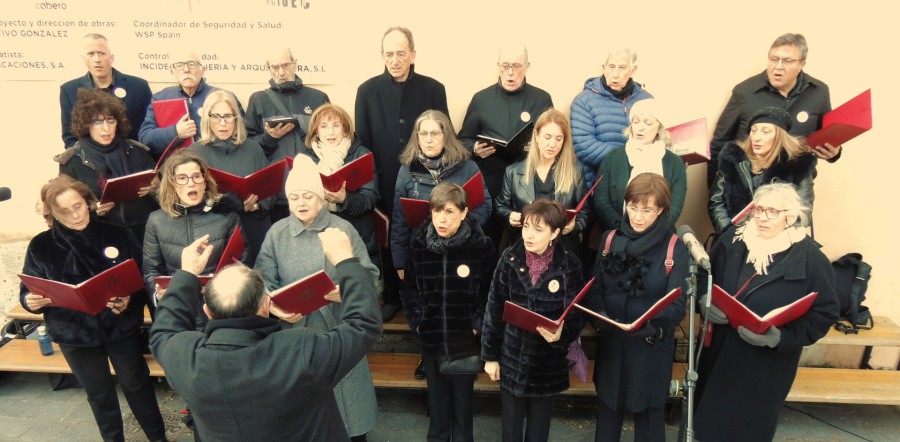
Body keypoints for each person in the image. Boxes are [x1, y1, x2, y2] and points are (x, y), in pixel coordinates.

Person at [150, 228, 382, 441]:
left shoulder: (185, 360)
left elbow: (163, 330)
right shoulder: (300, 353)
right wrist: (346, 261)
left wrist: (187, 274)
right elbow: (363, 324)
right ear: (265, 306)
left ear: (207, 312)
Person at [21, 176, 167, 442]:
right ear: (52, 214)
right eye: (64, 211)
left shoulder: (118, 234)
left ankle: (158, 437)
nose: (75, 215)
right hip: (73, 333)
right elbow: (29, 288)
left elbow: (141, 280)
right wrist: (29, 301)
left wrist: (129, 300)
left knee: (137, 384)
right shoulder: (41, 245)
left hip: (119, 327)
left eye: (78, 206)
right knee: (99, 394)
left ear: (88, 201)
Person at [694, 183, 839, 441]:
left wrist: (782, 338)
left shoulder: (811, 259)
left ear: (790, 217)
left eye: (772, 212)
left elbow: (824, 313)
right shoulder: (732, 240)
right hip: (719, 354)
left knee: (747, 430)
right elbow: (704, 276)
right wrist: (704, 301)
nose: (762, 217)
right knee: (705, 426)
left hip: (764, 366)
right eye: (758, 209)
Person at [254, 154, 380, 441]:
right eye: (294, 197)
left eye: (308, 196)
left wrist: (347, 289)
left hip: (339, 327)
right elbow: (262, 281)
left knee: (348, 411)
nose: (300, 203)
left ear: (320, 197)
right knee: (305, 416)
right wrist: (274, 306)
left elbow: (370, 274)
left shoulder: (342, 228)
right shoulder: (277, 233)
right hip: (295, 332)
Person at [585, 173, 688, 442]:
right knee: (608, 414)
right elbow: (595, 288)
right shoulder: (610, 239)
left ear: (661, 210)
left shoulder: (674, 247)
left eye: (647, 210)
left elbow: (677, 302)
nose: (638, 217)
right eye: (633, 207)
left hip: (650, 346)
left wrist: (652, 327)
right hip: (613, 342)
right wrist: (601, 318)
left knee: (649, 419)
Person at [355, 26, 448, 321]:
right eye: (389, 54)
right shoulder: (366, 91)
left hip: (426, 181)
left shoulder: (434, 89)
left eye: (400, 53)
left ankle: (424, 295)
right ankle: (394, 296)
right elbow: (363, 145)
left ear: (413, 54)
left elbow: (444, 136)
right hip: (383, 180)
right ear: (382, 55)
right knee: (388, 237)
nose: (394, 60)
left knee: (426, 236)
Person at [400, 182, 497, 441]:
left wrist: (476, 323)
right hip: (431, 337)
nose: (442, 219)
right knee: (437, 409)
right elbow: (409, 287)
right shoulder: (420, 244)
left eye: (449, 211)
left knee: (463, 412)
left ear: (464, 213)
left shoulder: (481, 246)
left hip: (463, 340)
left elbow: (491, 292)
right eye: (437, 211)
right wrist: (418, 321)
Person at [481, 198, 585, 442]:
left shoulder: (569, 264)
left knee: (539, 431)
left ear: (555, 233)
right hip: (512, 359)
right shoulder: (509, 258)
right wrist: (491, 357)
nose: (528, 235)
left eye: (538, 229)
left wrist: (563, 332)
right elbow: (494, 309)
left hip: (547, 363)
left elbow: (577, 312)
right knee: (511, 430)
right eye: (526, 226)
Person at [708, 33, 840, 187]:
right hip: (749, 188)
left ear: (802, 64)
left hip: (796, 189)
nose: (778, 66)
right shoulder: (745, 92)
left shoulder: (819, 92)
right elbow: (718, 144)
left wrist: (834, 153)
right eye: (774, 59)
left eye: (787, 61)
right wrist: (715, 193)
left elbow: (827, 136)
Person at [457, 46, 554, 249]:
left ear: (527, 66)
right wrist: (475, 149)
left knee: (528, 239)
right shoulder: (481, 99)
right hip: (491, 179)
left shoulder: (541, 99)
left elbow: (551, 135)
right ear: (498, 66)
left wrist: (537, 145)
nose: (510, 72)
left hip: (528, 181)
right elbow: (463, 139)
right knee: (487, 239)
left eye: (516, 66)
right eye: (505, 66)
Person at [391, 110, 492, 277]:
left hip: (461, 250)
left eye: (434, 133)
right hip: (422, 253)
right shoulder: (407, 170)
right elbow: (399, 220)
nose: (428, 139)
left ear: (446, 136)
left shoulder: (468, 167)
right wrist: (400, 262)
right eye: (423, 133)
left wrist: (460, 227)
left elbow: (484, 205)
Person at [142, 151, 243, 309]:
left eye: (196, 176)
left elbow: (241, 264)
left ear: (205, 181)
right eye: (182, 178)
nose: (191, 183)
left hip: (219, 307)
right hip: (178, 306)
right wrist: (159, 294)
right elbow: (151, 271)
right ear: (172, 184)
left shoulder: (227, 217)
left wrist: (216, 289)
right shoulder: (156, 220)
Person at [55, 88, 159, 242]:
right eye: (97, 122)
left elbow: (164, 194)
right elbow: (65, 206)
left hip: (142, 232)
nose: (106, 128)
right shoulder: (72, 161)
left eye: (110, 120)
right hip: (99, 234)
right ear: (86, 125)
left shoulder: (137, 151)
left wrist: (155, 189)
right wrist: (91, 209)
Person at [244, 47, 330, 221]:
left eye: (285, 65)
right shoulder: (258, 100)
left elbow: (331, 140)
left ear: (295, 64)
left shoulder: (318, 98)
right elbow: (247, 147)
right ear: (268, 68)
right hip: (276, 194)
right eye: (275, 67)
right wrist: (269, 137)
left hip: (313, 189)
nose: (281, 72)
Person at [187, 90, 271, 266]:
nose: (222, 123)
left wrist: (256, 205)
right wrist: (231, 204)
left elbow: (270, 187)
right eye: (216, 117)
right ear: (207, 119)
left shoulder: (253, 148)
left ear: (236, 118)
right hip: (215, 230)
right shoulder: (194, 153)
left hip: (254, 224)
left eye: (227, 116)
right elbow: (190, 197)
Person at [496, 108, 589, 260]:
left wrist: (575, 226)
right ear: (536, 136)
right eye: (547, 137)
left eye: (559, 139)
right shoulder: (513, 171)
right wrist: (510, 216)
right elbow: (501, 206)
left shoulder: (574, 171)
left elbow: (585, 211)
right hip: (525, 248)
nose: (552, 144)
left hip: (562, 249)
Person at [709, 106, 817, 235]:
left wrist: (771, 237)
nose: (756, 137)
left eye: (765, 132)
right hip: (735, 238)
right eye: (753, 131)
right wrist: (730, 234)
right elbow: (716, 204)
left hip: (779, 240)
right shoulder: (732, 160)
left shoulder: (798, 166)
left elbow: (803, 213)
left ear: (779, 136)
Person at [300, 103, 380, 270]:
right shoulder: (305, 158)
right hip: (318, 238)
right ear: (316, 131)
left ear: (345, 129)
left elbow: (370, 199)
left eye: (336, 125)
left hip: (356, 237)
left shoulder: (361, 154)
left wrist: (345, 199)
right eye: (324, 126)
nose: (330, 132)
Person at [592, 99, 687, 233]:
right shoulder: (613, 158)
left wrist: (651, 233)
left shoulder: (674, 163)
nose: (640, 128)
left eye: (648, 123)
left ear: (659, 128)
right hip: (618, 233)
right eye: (636, 122)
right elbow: (601, 200)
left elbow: (675, 207)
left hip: (659, 235)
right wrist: (622, 229)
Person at [571, 48, 653, 185]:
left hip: (641, 182)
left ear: (633, 70)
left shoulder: (646, 100)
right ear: (604, 68)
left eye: (622, 67)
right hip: (601, 182)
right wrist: (629, 155)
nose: (615, 74)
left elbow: (658, 138)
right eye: (611, 67)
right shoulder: (584, 101)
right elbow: (584, 147)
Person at [139, 52, 244, 156]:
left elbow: (242, 133)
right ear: (173, 72)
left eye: (192, 64)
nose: (186, 69)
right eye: (179, 65)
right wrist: (175, 132)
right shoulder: (160, 98)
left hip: (216, 161)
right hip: (176, 163)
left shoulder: (224, 97)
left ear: (202, 70)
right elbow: (145, 138)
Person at [60, 33, 152, 148]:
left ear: (112, 58)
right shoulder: (69, 90)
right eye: (90, 54)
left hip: (133, 156)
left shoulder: (139, 86)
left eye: (101, 53)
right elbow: (70, 137)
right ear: (83, 59)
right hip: (91, 157)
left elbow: (150, 129)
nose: (97, 59)